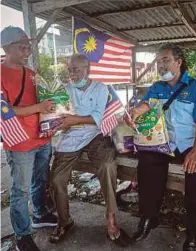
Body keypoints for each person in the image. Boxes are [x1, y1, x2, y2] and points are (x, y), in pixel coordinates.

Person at [126, 44, 196, 251]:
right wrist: (134, 113)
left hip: (192, 142)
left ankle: (193, 231)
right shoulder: (157, 87)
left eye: (165, 60)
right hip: (164, 141)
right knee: (146, 164)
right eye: (158, 62)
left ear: (179, 61)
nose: (160, 65)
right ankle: (148, 217)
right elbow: (145, 105)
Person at [49, 54, 131, 247]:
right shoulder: (65, 90)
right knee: (56, 179)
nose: (72, 74)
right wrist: (58, 122)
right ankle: (64, 221)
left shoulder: (100, 88)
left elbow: (98, 118)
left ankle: (111, 218)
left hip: (96, 135)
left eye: (76, 69)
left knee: (107, 166)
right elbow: (59, 116)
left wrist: (74, 119)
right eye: (69, 69)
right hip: (70, 138)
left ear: (88, 70)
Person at [1, 26, 58, 251]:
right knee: (20, 189)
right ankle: (22, 235)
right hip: (20, 143)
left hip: (41, 138)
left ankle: (40, 213)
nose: (27, 52)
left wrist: (53, 111)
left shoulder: (32, 74)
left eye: (28, 47)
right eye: (22, 47)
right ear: (7, 48)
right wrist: (39, 106)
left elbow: (44, 102)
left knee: (40, 181)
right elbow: (4, 111)